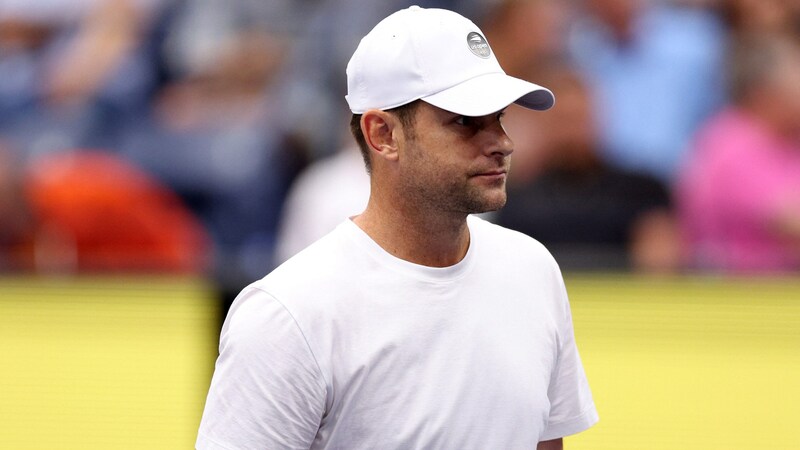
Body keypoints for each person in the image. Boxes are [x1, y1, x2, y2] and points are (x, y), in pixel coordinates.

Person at [197, 6, 598, 449]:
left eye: (500, 117)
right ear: (382, 134)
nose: (502, 142)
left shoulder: (532, 269)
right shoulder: (288, 314)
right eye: (465, 121)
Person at [498, 68, 681, 273]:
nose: (572, 133)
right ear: (543, 126)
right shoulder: (516, 199)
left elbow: (662, 260)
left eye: (578, 119)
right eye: (562, 121)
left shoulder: (642, 192)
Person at [676, 34, 800, 273]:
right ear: (765, 91)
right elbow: (789, 220)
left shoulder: (790, 140)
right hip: (739, 294)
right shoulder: (728, 143)